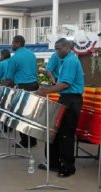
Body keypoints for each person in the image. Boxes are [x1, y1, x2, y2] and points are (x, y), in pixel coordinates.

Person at [36, 38, 84, 178]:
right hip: (66, 98)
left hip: (72, 99)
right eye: (55, 49)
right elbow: (59, 82)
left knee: (65, 134)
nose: (56, 52)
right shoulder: (65, 60)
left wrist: (46, 91)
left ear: (67, 47)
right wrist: (49, 88)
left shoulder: (70, 61)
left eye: (59, 48)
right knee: (55, 132)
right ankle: (54, 163)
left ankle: (68, 167)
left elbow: (65, 84)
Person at [5, 35, 38, 148]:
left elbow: (9, 78)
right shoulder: (32, 54)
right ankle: (32, 140)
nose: (12, 45)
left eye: (13, 43)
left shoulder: (14, 58)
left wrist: (6, 87)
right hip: (35, 87)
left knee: (21, 116)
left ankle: (25, 142)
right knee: (31, 115)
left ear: (18, 43)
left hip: (23, 87)